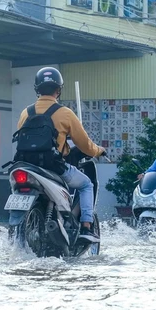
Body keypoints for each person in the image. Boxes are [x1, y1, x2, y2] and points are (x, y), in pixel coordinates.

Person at [15, 67, 106, 242]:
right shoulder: (65, 113)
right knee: (86, 184)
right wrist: (98, 150)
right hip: (53, 166)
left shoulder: (25, 112)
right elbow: (85, 145)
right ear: (58, 89)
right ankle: (86, 227)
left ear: (37, 89)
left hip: (25, 166)